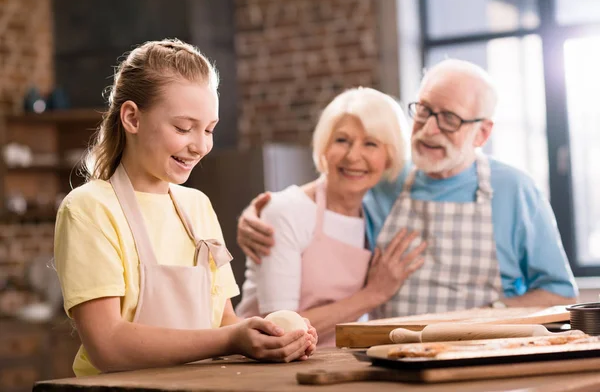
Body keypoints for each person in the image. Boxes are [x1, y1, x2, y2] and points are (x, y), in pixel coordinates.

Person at [53, 39, 316, 377]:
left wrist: (270, 338)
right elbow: (109, 345)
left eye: (209, 130)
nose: (201, 145)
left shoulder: (198, 206)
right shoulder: (90, 209)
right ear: (132, 117)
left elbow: (224, 321)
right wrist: (231, 339)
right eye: (183, 128)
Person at [237, 59, 578, 319]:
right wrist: (256, 214)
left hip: (482, 359)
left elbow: (560, 294)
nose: (430, 129)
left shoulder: (513, 190)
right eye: (425, 110)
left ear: (482, 133)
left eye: (450, 119)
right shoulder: (385, 180)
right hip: (386, 364)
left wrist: (492, 310)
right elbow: (324, 194)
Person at [235, 87, 427, 346]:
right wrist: (373, 294)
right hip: (265, 362)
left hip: (333, 359)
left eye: (370, 143)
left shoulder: (375, 213)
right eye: (342, 140)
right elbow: (280, 328)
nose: (353, 156)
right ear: (324, 145)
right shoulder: (287, 211)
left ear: (390, 156)